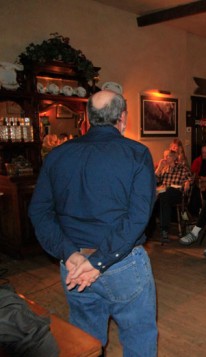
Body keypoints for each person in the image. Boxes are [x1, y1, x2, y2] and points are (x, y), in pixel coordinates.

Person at [28, 90, 158, 356]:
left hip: (74, 266)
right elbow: (138, 217)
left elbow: (39, 212)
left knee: (85, 340)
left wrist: (71, 254)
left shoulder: (57, 155)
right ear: (123, 118)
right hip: (122, 264)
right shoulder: (137, 153)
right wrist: (97, 262)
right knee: (138, 336)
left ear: (87, 118)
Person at [155, 149, 192, 241]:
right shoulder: (164, 169)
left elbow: (189, 178)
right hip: (165, 195)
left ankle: (164, 230)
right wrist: (159, 167)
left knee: (167, 192)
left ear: (174, 157)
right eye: (164, 156)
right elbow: (154, 180)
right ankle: (164, 230)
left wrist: (187, 182)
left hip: (177, 194)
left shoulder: (181, 168)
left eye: (167, 156)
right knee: (162, 196)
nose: (165, 158)